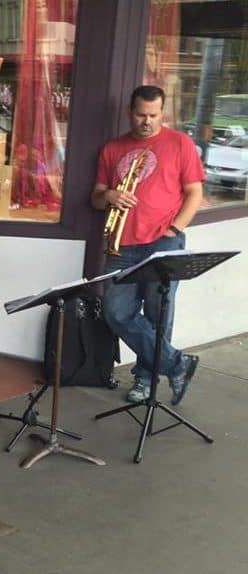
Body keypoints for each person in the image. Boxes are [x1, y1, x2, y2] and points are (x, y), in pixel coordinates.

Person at [91, 84, 204, 405]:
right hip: (122, 245)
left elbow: (194, 192)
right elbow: (96, 198)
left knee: (158, 315)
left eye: (154, 115)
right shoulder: (112, 149)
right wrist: (110, 195)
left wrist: (176, 228)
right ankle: (178, 364)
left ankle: (144, 380)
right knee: (116, 313)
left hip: (163, 243)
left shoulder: (180, 143)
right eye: (141, 115)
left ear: (162, 113)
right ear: (130, 112)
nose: (147, 121)